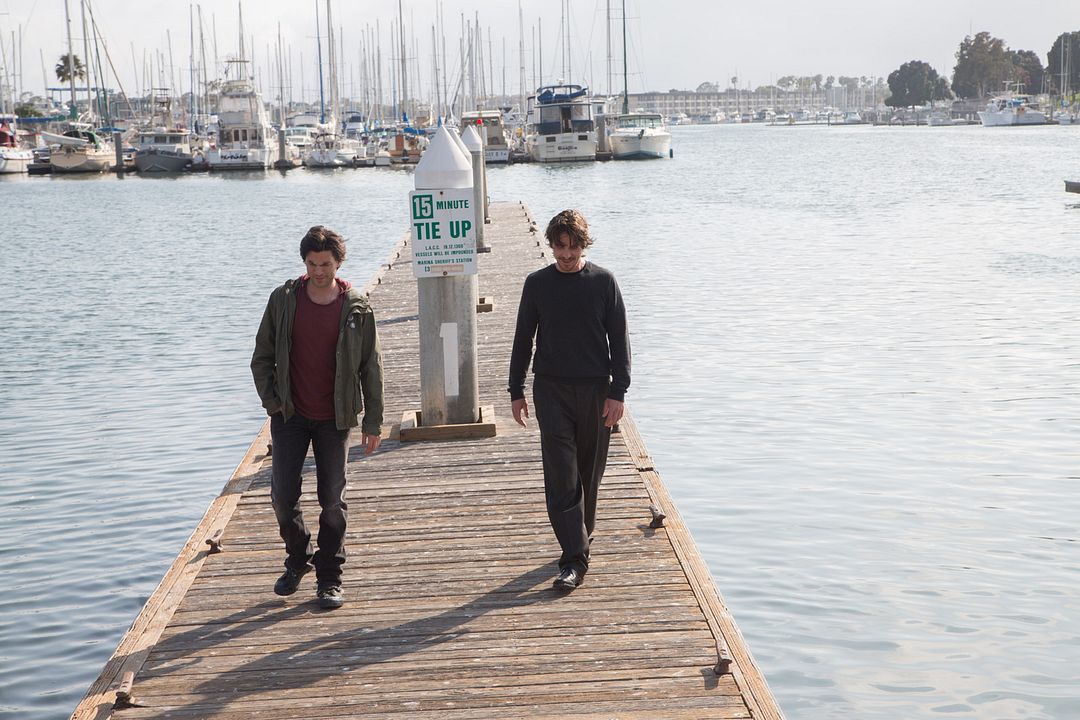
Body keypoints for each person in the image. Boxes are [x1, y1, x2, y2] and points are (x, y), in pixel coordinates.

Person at [251, 225, 384, 609]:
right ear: (304, 262)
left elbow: (370, 368)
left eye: (325, 264)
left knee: (331, 500)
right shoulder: (284, 299)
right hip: (290, 415)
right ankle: (298, 558)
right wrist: (273, 402)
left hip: (334, 418)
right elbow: (261, 358)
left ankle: (330, 577)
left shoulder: (356, 307)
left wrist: (373, 422)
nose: (318, 271)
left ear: (338, 263)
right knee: (281, 496)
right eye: (311, 264)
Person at [508, 209, 631, 592]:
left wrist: (618, 392)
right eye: (560, 247)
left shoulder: (603, 282)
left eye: (573, 246)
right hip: (552, 390)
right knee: (562, 474)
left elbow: (620, 340)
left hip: (596, 391)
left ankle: (581, 536)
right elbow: (523, 338)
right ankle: (574, 559)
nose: (566, 254)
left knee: (589, 474)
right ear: (551, 246)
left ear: (583, 244)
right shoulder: (537, 284)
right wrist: (516, 390)